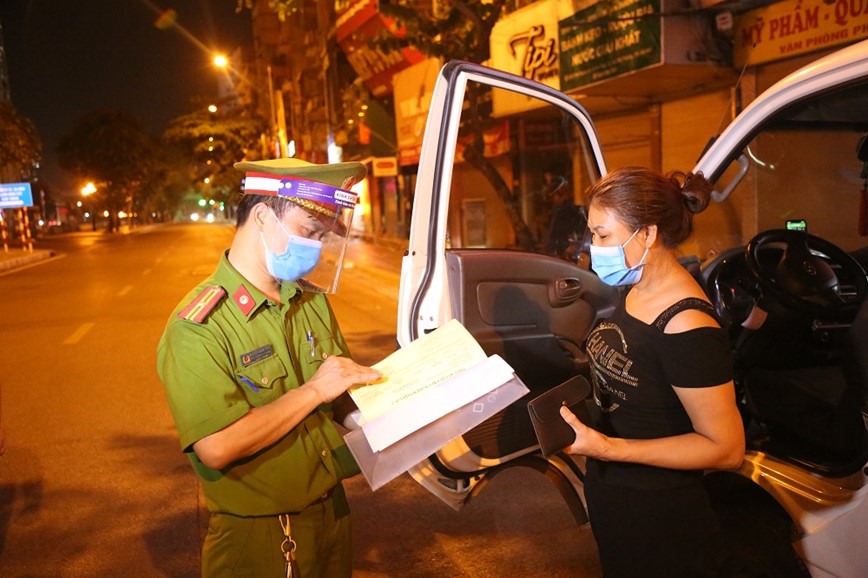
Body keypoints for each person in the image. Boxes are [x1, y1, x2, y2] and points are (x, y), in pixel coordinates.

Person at [157, 157, 382, 578]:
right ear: (262, 216)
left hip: (334, 516)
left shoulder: (309, 300)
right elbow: (218, 446)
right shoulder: (199, 327)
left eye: (322, 236)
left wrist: (411, 415)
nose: (315, 247)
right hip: (261, 538)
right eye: (307, 232)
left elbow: (340, 400)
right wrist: (314, 390)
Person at [558, 166, 745, 577]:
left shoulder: (686, 324)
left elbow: (726, 449)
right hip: (617, 499)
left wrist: (610, 448)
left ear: (648, 234)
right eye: (592, 233)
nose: (593, 246)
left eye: (603, 235)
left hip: (661, 517)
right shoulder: (637, 287)